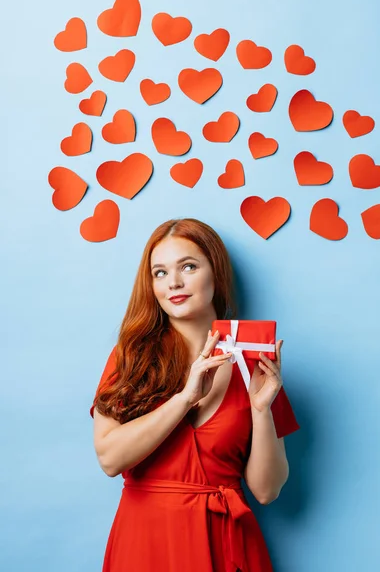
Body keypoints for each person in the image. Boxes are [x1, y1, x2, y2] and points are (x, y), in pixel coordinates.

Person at [89, 217, 300, 572]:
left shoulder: (254, 362)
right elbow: (110, 460)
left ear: (215, 273)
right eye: (159, 272)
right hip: (145, 546)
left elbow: (266, 491)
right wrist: (185, 398)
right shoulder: (129, 358)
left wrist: (261, 410)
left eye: (188, 266)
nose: (173, 282)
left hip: (225, 545)